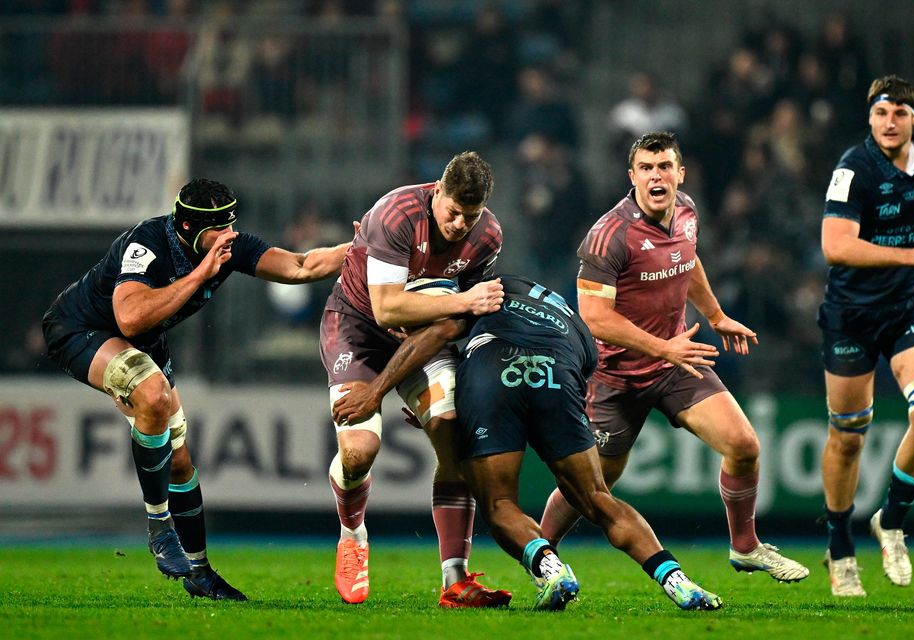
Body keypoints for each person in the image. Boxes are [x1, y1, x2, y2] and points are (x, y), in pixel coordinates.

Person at [41, 178, 353, 601]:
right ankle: (158, 527)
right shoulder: (147, 244)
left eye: (231, 225)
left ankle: (200, 573)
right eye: (218, 228)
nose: (229, 237)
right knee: (153, 394)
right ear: (188, 228)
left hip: (144, 343)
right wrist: (202, 273)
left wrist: (358, 250)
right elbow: (129, 317)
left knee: (180, 461)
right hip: (82, 330)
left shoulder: (227, 245)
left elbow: (300, 265)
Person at [334, 275, 723, 611]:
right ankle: (677, 582)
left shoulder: (482, 292)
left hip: (493, 370)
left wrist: (391, 394)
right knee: (597, 497)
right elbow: (581, 375)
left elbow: (438, 333)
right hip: (561, 371)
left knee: (499, 503)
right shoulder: (570, 319)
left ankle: (551, 569)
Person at [537, 131, 809, 584]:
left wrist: (716, 315)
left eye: (664, 166)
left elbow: (688, 259)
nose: (656, 175)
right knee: (588, 485)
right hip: (616, 377)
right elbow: (596, 318)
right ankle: (540, 555)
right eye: (646, 168)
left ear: (680, 174)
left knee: (744, 446)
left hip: (676, 363)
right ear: (632, 177)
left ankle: (745, 547)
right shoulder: (608, 236)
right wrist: (665, 346)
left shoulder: (686, 210)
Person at [318, 151, 511, 607]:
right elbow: (388, 310)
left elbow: (458, 323)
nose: (461, 223)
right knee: (358, 452)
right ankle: (353, 535)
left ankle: (456, 579)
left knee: (453, 436)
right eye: (453, 211)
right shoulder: (396, 215)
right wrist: (462, 304)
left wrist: (458, 322)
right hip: (358, 330)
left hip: (425, 341)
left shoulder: (488, 236)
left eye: (472, 214)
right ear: (436, 191)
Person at [818, 75, 914, 597]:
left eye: (899, 112)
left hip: (908, 307)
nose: (890, 122)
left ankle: (892, 521)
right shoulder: (853, 168)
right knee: (848, 436)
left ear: (913, 119)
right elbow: (835, 245)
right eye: (881, 113)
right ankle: (839, 545)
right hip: (851, 313)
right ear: (870, 120)